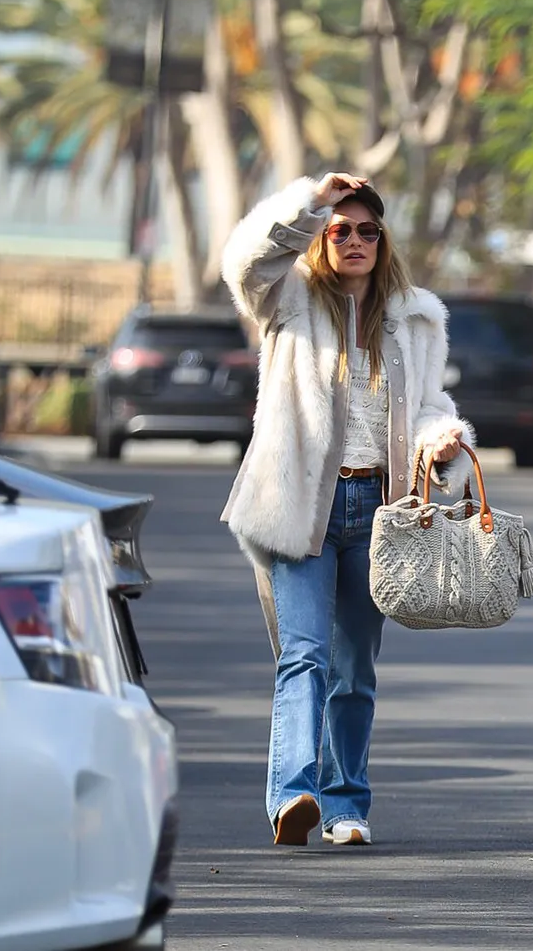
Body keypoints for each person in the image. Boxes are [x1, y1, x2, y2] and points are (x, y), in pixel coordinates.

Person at [221, 171, 475, 847]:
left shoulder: (416, 317)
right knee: (303, 655)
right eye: (341, 229)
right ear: (322, 237)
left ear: (383, 239)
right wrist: (310, 198)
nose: (355, 240)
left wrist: (443, 439)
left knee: (354, 669)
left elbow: (428, 406)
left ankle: (346, 806)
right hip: (299, 503)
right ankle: (294, 793)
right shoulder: (287, 299)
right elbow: (244, 261)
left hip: (378, 508)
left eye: (368, 230)